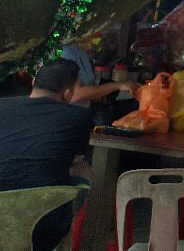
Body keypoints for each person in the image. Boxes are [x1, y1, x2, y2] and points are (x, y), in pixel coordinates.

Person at [0, 59, 94, 251]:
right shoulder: (79, 116)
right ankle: (87, 241)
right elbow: (74, 162)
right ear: (67, 94)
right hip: (43, 225)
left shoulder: (2, 106)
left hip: (3, 214)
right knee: (87, 174)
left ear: (34, 82)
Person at [62, 44, 138, 109]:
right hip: (70, 114)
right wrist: (118, 85)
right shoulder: (66, 53)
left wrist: (101, 92)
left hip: (84, 111)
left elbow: (90, 84)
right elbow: (75, 94)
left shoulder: (79, 51)